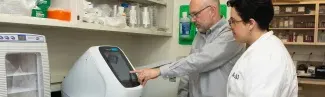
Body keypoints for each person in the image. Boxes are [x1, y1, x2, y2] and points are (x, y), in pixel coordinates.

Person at [130, 0, 245, 97]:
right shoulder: (200, 34)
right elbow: (189, 69)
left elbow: (198, 61)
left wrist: (158, 71)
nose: (192, 20)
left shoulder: (231, 35)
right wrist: (182, 94)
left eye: (196, 14)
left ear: (212, 11)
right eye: (191, 15)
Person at [226, 0, 298, 97]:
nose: (231, 26)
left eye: (233, 21)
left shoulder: (267, 58)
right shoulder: (261, 49)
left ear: (251, 24)